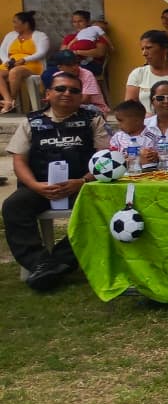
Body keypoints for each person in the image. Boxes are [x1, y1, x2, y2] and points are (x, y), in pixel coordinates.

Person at [3, 72, 109, 290]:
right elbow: (19, 161)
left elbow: (105, 159)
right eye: (61, 88)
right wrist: (35, 186)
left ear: (81, 96)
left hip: (83, 186)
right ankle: (38, 262)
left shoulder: (93, 120)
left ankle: (59, 261)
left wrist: (82, 181)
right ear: (48, 94)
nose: (67, 93)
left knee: (105, 207)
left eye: (74, 90)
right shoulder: (31, 122)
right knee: (14, 206)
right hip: (40, 187)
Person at [0, 11, 51, 114]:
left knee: (15, 72)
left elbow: (42, 52)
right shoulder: (10, 35)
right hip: (11, 63)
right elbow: (2, 50)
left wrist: (24, 60)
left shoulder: (41, 36)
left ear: (26, 24)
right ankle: (8, 100)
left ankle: (12, 100)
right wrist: (6, 61)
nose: (13, 25)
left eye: (15, 22)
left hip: (32, 64)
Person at [45, 50, 107, 114]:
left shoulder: (87, 74)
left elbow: (85, 100)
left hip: (93, 107)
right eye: (69, 65)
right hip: (69, 106)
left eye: (76, 63)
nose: (74, 67)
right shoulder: (57, 76)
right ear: (60, 67)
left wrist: (61, 101)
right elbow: (52, 96)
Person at [60, 9, 109, 76]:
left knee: (68, 71)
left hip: (92, 65)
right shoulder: (70, 37)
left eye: (80, 21)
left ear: (88, 22)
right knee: (50, 71)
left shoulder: (97, 36)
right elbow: (62, 53)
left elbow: (100, 53)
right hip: (71, 64)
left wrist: (77, 52)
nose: (77, 24)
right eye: (74, 22)